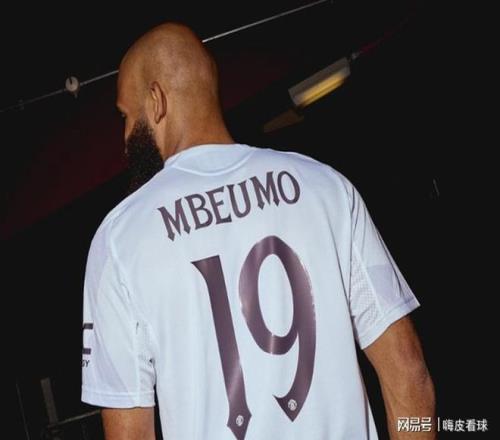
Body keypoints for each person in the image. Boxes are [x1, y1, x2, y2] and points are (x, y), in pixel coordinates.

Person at [81, 22, 436, 440]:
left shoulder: (119, 240)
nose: (125, 137)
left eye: (126, 116)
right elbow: (408, 372)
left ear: (156, 101)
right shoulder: (326, 189)